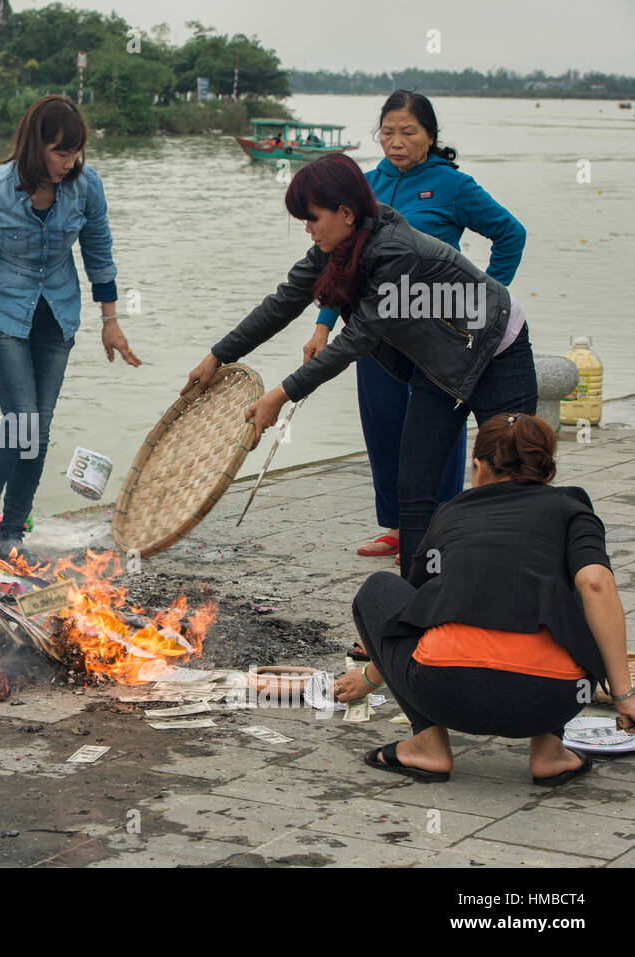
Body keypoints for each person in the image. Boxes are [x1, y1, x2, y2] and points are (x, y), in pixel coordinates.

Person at [181, 151, 536, 578]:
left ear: (346, 212)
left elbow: (357, 338)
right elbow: (281, 304)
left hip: (498, 349)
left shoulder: (396, 252)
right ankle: (416, 607)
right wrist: (217, 356)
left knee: (514, 475)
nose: (308, 230)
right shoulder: (336, 248)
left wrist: (281, 394)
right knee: (416, 487)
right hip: (438, 366)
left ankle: (517, 590)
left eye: (312, 218)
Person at [335, 413, 635, 786]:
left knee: (380, 587)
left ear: (477, 468)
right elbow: (595, 584)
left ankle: (428, 744)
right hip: (551, 699)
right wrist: (624, 698)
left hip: (443, 690)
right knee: (571, 587)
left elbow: (407, 617)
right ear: (547, 471)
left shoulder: (450, 512)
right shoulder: (572, 507)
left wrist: (368, 679)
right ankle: (549, 753)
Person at [305, 91, 526, 573]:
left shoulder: (453, 186)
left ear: (430, 136)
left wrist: (485, 303)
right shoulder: (364, 187)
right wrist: (322, 325)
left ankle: (443, 523)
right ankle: (398, 526)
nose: (396, 141)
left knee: (433, 431)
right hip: (373, 334)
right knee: (384, 426)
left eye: (408, 132)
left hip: (436, 338)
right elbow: (337, 263)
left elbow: (512, 234)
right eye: (387, 131)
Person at [0, 94, 141, 562]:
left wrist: (111, 321)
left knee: (40, 427)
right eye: (59, 153)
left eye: (75, 153)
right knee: (21, 419)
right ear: (36, 145)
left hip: (58, 313)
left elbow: (99, 252)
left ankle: (12, 531)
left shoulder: (86, 187)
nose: (68, 164)